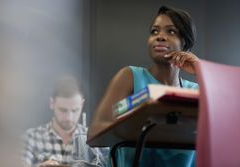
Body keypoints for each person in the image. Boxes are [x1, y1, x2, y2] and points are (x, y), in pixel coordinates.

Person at [88, 5, 199, 167]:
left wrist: (200, 70)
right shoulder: (129, 77)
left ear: (186, 45)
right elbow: (95, 132)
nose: (160, 36)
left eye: (171, 31)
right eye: (154, 31)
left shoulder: (195, 91)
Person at [22, 76, 108, 167]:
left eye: (75, 110)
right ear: (52, 103)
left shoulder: (95, 139)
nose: (69, 117)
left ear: (82, 105)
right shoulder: (30, 137)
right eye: (63, 110)